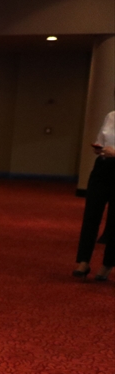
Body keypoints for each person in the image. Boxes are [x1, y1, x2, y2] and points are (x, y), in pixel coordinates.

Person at [74, 106, 115, 281]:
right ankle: (83, 261)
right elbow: (101, 139)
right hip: (102, 168)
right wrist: (99, 148)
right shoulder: (110, 116)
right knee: (91, 215)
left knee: (114, 220)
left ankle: (107, 264)